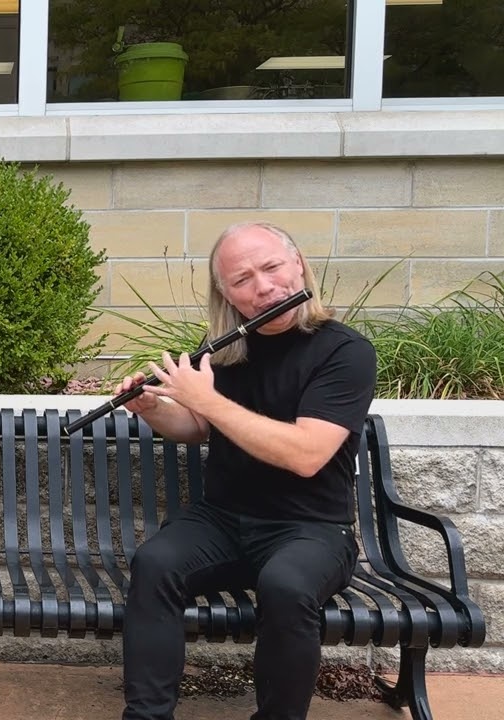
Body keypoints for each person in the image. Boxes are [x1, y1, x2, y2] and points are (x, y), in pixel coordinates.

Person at [117, 223, 377, 720]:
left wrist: (208, 401)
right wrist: (151, 407)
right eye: (242, 279)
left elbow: (306, 454)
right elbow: (196, 426)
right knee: (154, 565)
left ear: (297, 263)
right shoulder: (226, 347)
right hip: (223, 518)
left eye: (272, 267)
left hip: (312, 529)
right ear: (226, 293)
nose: (263, 288)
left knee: (286, 586)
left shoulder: (345, 352)